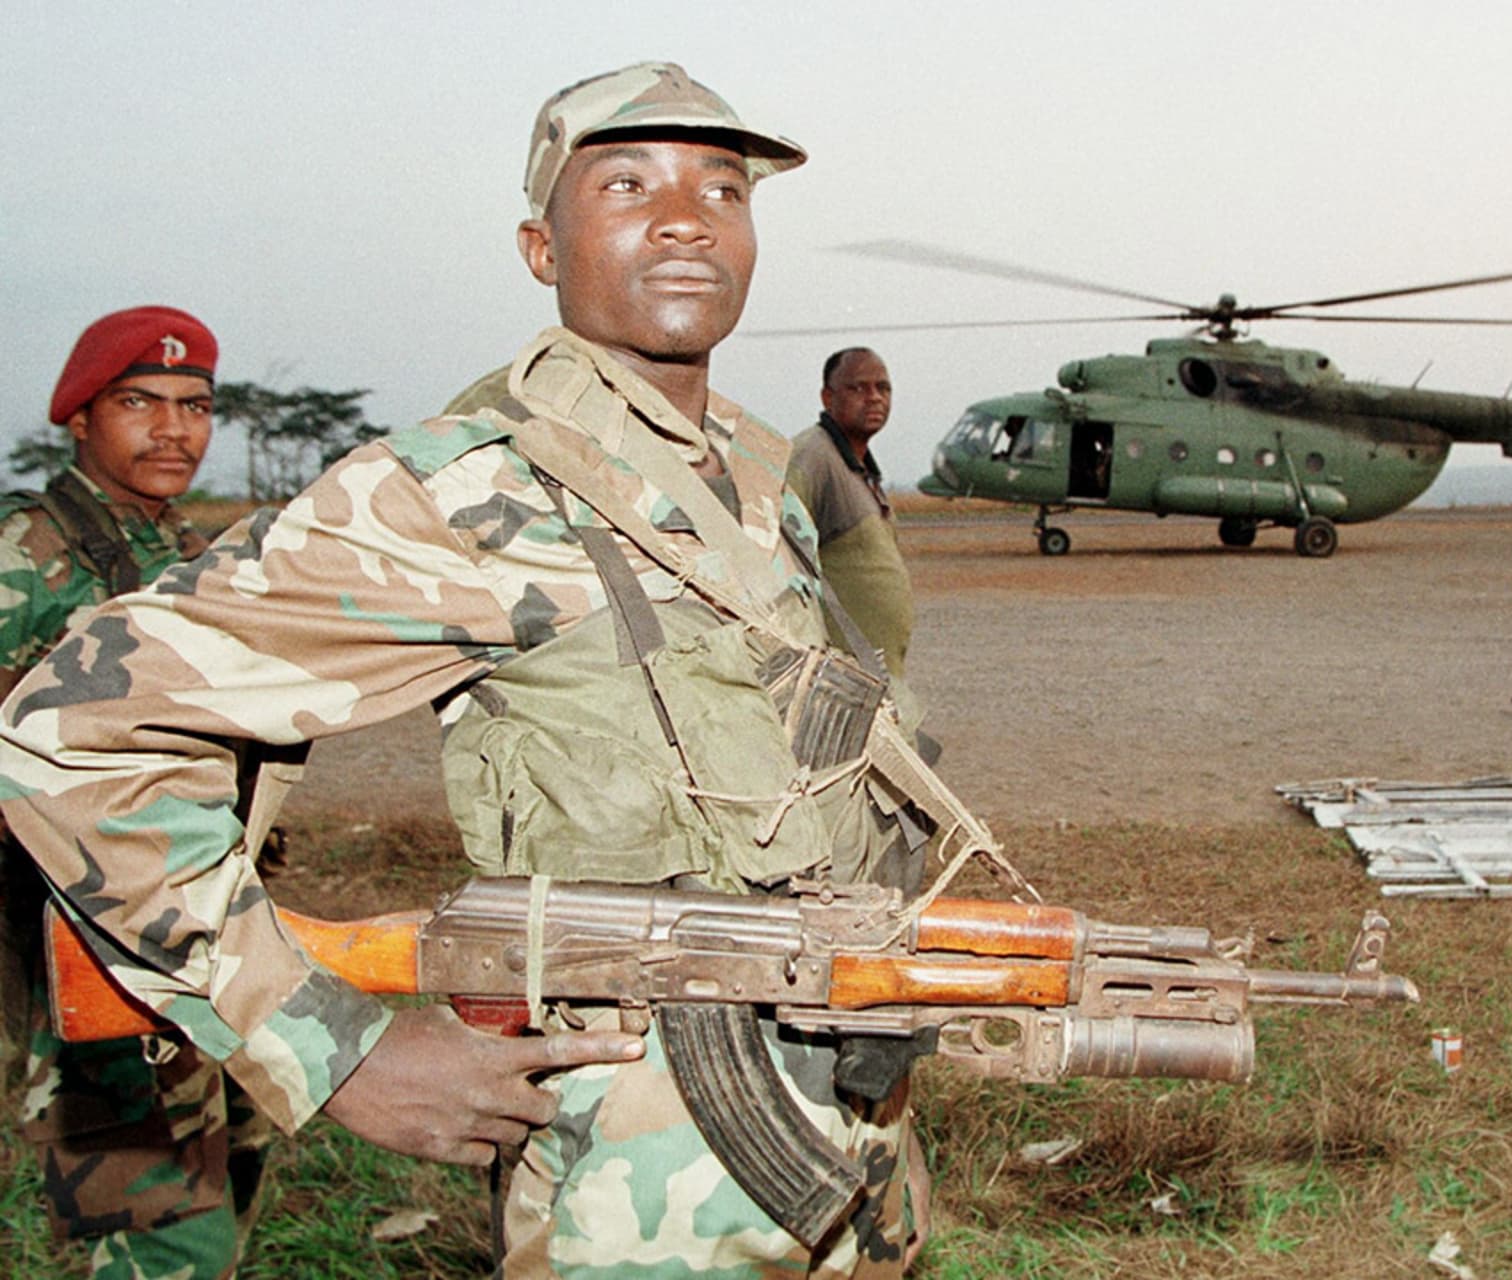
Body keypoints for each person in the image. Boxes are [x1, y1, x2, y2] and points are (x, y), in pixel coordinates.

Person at [0, 63, 964, 1277]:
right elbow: (70, 723)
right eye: (627, 185)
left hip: (857, 1143)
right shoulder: (472, 491)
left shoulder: (758, 477)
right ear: (539, 248)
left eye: (723, 188)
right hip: (644, 1194)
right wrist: (332, 1046)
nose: (686, 217)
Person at [0, 307, 275, 1280]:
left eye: (194, 406)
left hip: (203, 938)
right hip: (84, 943)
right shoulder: (22, 555)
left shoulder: (192, 557)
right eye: (139, 402)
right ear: (79, 417)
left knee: (227, 1176)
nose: (173, 429)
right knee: (165, 1234)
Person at [787, 348, 914, 675]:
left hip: (874, 672)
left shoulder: (858, 467)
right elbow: (781, 562)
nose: (874, 398)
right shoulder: (811, 459)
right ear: (828, 397)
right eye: (858, 388)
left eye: (883, 388)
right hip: (839, 673)